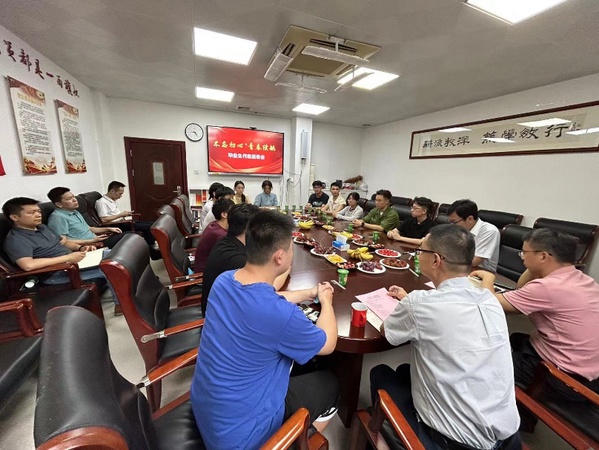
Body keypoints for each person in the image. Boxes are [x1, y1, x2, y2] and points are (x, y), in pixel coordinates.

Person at [191, 209, 339, 450]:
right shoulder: (281, 315)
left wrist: (309, 293)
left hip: (207, 410)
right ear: (279, 257)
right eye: (291, 248)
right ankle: (296, 441)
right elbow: (328, 343)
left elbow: (267, 299)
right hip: (240, 437)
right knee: (330, 382)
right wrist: (327, 302)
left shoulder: (225, 280)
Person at [371, 225, 521, 449]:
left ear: (435, 260)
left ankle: (383, 440)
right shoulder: (489, 299)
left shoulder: (420, 303)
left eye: (421, 250)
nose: (418, 255)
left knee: (380, 372)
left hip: (450, 442)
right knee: (404, 371)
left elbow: (387, 331)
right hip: (506, 438)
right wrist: (410, 302)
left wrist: (410, 305)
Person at [471, 228, 599, 429]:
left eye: (525, 252)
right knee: (516, 339)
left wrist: (488, 279)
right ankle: (521, 408)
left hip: (563, 379)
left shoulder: (549, 287)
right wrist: (535, 266)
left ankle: (501, 419)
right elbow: (522, 288)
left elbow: (490, 304)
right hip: (589, 373)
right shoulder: (582, 279)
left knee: (483, 357)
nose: (522, 257)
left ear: (543, 256)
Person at [2, 197, 121, 315]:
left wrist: (80, 248)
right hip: (57, 274)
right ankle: (120, 305)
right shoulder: (16, 239)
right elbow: (28, 265)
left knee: (114, 255)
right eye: (31, 213)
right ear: (14, 217)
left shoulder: (42, 228)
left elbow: (63, 243)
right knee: (111, 267)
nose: (38, 215)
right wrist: (67, 258)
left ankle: (127, 297)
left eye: (38, 211)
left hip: (74, 263)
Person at [201, 204, 287, 314]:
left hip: (228, 306)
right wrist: (286, 265)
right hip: (224, 317)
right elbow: (270, 288)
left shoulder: (226, 241)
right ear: (249, 230)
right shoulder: (237, 259)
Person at [47, 187, 125, 249]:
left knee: (127, 236)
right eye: (69, 199)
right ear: (59, 204)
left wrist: (108, 229)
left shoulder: (75, 211)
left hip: (96, 239)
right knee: (126, 238)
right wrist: (91, 241)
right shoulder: (58, 217)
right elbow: (63, 242)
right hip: (89, 246)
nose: (75, 200)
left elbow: (88, 228)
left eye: (73, 196)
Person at [95, 181, 158, 256]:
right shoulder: (101, 202)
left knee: (151, 224)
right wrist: (121, 215)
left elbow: (114, 215)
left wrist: (125, 214)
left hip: (122, 222)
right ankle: (152, 251)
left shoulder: (112, 201)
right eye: (120, 194)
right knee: (147, 227)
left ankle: (154, 246)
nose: (121, 196)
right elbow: (104, 220)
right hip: (116, 226)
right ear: (112, 191)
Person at [447, 199, 500, 272]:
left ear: (470, 219)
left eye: (454, 222)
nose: (452, 225)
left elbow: (474, 262)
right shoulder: (461, 229)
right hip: (462, 268)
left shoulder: (489, 231)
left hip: (482, 273)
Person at [193, 199, 233, 273]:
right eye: (233, 212)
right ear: (224, 214)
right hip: (205, 273)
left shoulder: (214, 224)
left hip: (207, 267)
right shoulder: (220, 234)